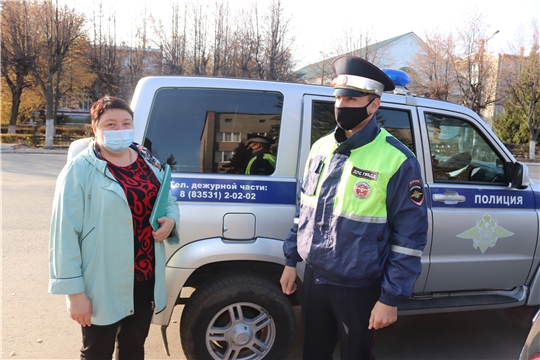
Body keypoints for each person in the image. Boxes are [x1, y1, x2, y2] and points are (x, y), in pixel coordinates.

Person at [280, 56, 428, 360]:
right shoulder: (321, 148)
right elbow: (304, 209)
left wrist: (390, 298)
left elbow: (409, 238)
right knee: (313, 353)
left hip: (359, 286)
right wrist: (290, 260)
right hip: (315, 278)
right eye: (338, 97)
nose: (341, 104)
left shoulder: (397, 159)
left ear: (373, 105)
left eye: (351, 98)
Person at [48, 96, 180, 360]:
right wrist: (75, 294)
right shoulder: (80, 169)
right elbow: (64, 234)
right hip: (102, 281)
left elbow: (169, 198)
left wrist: (171, 219)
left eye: (125, 123)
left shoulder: (145, 158)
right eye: (110, 124)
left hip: (144, 277)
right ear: (95, 128)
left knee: (133, 348)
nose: (120, 130)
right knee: (96, 351)